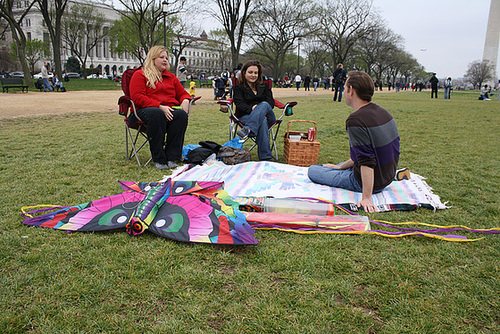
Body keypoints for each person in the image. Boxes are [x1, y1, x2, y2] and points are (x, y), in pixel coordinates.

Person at [308, 71, 406, 213]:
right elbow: (362, 155)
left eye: (345, 87)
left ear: (351, 90)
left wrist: (366, 197)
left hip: (371, 182)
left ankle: (354, 180)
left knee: (313, 170)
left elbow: (366, 160)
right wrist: (340, 168)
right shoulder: (383, 112)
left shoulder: (356, 120)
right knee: (336, 167)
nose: (343, 91)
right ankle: (341, 169)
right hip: (387, 176)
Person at [129, 45, 191, 170]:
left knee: (180, 115)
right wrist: (159, 106)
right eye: (161, 57)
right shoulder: (140, 74)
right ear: (152, 58)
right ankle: (159, 159)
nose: (165, 60)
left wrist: (185, 100)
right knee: (156, 113)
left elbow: (183, 93)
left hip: (166, 112)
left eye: (166, 58)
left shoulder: (171, 77)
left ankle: (172, 157)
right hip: (143, 112)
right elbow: (137, 97)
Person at [233, 60, 276, 161]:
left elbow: (271, 102)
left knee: (264, 104)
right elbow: (240, 104)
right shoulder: (239, 88)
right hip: (246, 115)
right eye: (250, 72)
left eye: (255, 73)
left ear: (259, 74)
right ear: (244, 73)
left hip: (268, 114)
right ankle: (265, 158)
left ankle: (248, 129)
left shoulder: (264, 86)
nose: (253, 75)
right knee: (262, 121)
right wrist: (252, 109)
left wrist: (260, 110)